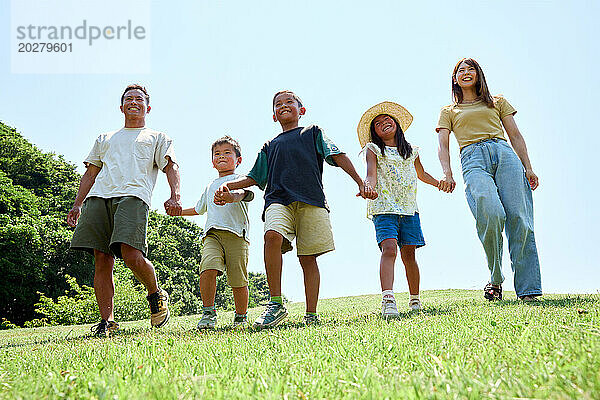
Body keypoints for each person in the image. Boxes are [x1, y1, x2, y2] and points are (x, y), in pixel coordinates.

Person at [214, 90, 375, 328]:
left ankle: (311, 314)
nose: (283, 106)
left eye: (289, 102)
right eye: (278, 104)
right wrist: (229, 185)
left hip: (311, 200)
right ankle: (276, 303)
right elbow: (254, 177)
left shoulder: (313, 132)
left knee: (308, 258)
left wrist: (361, 182)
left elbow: (338, 156)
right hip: (278, 200)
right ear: (274, 116)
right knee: (271, 236)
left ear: (302, 110)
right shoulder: (270, 145)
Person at [67, 84, 181, 337]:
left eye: (139, 99)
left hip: (133, 196)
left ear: (147, 107)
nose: (133, 102)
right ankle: (107, 321)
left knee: (131, 254)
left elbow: (171, 167)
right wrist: (77, 204)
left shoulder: (157, 137)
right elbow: (90, 172)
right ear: (121, 107)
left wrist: (175, 195)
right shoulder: (105, 138)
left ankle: (155, 293)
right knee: (101, 258)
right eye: (128, 98)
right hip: (99, 197)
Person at [436, 58, 542, 301]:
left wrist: (529, 167)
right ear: (455, 79)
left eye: (470, 68)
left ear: (478, 74)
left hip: (504, 154)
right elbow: (443, 145)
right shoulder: (449, 111)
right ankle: (495, 277)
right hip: (472, 158)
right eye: (460, 70)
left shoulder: (498, 102)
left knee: (520, 219)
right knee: (491, 212)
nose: (465, 72)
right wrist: (447, 173)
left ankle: (528, 292)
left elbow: (515, 135)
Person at [358, 102, 448, 317]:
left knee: (409, 255)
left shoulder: (412, 152)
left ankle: (415, 300)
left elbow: (422, 174)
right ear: (375, 133)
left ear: (397, 123)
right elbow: (370, 174)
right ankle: (388, 299)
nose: (383, 123)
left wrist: (440, 183)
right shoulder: (373, 149)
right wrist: (367, 187)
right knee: (389, 249)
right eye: (377, 123)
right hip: (383, 207)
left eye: (387, 119)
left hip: (409, 209)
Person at [180, 136, 254, 330]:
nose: (221, 156)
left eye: (227, 152)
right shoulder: (210, 185)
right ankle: (208, 313)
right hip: (212, 235)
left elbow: (245, 195)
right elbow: (199, 209)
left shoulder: (240, 180)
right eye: (217, 154)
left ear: (238, 160)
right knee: (207, 269)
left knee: (238, 279)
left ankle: (241, 316)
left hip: (237, 235)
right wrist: (178, 211)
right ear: (212, 161)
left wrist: (230, 196)